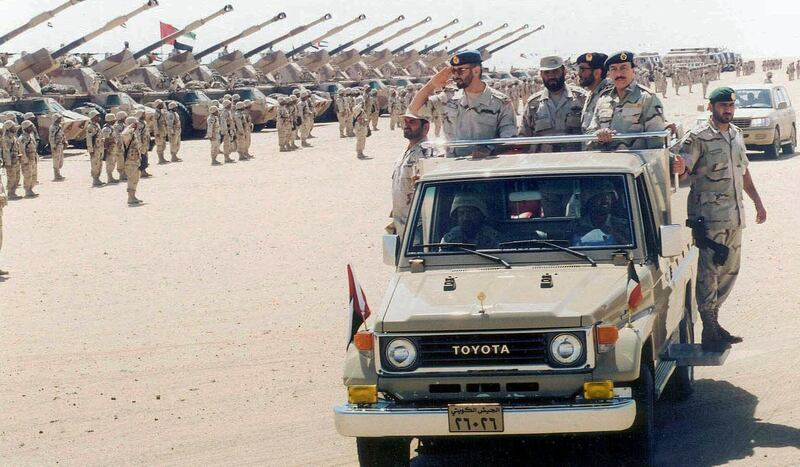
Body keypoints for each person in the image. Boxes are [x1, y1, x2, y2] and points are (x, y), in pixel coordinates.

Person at [672, 87, 767, 352]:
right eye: (723, 105)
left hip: (735, 216)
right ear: (710, 106)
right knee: (709, 273)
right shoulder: (698, 137)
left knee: (730, 271)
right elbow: (683, 168)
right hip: (709, 218)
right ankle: (709, 327)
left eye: (731, 106)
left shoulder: (736, 135)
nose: (728, 110)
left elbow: (744, 172)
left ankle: (714, 321)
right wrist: (680, 167)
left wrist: (757, 202)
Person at [410, 50, 517, 157]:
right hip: (451, 166)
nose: (455, 76)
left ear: (476, 71)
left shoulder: (500, 103)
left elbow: (509, 138)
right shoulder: (448, 98)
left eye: (461, 70)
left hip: (484, 167)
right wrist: (431, 85)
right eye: (453, 71)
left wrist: (489, 149)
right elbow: (414, 109)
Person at [587, 51, 667, 150]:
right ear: (609, 73)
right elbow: (590, 132)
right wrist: (598, 135)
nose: (619, 73)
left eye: (623, 68)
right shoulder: (603, 99)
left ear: (633, 71)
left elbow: (656, 142)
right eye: (614, 69)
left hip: (636, 162)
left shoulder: (646, 98)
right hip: (606, 161)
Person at [520, 56, 588, 152]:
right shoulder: (533, 104)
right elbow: (524, 137)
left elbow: (590, 132)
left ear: (564, 72)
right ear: (541, 75)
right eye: (547, 73)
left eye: (555, 71)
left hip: (574, 160)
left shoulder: (581, 98)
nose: (551, 76)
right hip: (542, 162)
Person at [389, 111, 431, 236]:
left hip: (416, 228)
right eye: (405, 121)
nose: (407, 125)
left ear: (425, 127)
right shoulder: (406, 153)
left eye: (412, 122)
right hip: (401, 223)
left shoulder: (427, 154)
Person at [571, 180, 631, 246]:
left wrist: (614, 233)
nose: (605, 199)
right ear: (589, 200)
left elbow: (631, 249)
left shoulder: (624, 225)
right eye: (599, 195)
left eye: (609, 195)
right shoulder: (575, 226)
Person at [576, 52, 610, 132]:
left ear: (597, 73)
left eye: (583, 70)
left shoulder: (608, 95)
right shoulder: (591, 94)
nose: (579, 74)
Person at [121, 117, 142, 205]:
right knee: (132, 178)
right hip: (130, 161)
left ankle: (133, 196)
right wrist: (130, 127)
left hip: (135, 160)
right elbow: (124, 134)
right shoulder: (128, 133)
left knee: (135, 178)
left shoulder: (133, 133)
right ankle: (130, 197)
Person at [18, 121, 39, 198]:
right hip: (27, 160)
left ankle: (31, 189)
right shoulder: (22, 138)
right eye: (30, 126)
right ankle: (27, 191)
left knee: (33, 175)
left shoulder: (30, 136)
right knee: (27, 175)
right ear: (26, 128)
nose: (32, 128)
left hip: (33, 159)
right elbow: (21, 150)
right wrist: (25, 160)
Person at [2, 121, 21, 199]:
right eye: (13, 127)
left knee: (17, 177)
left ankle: (14, 192)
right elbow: (6, 151)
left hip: (16, 160)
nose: (15, 128)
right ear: (9, 128)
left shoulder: (13, 137)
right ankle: (10, 193)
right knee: (11, 177)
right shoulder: (6, 139)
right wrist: (8, 163)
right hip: (10, 162)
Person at [85, 110, 104, 187]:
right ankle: (95, 179)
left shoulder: (97, 125)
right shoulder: (90, 127)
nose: (98, 117)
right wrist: (90, 150)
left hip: (100, 147)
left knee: (99, 163)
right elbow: (89, 139)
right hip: (95, 148)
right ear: (93, 117)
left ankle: (98, 178)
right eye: (97, 116)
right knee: (95, 163)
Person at [101, 113, 119, 184]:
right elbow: (106, 139)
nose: (114, 121)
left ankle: (111, 177)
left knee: (113, 162)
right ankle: (109, 177)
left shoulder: (111, 127)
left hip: (113, 147)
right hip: (110, 148)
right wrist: (107, 148)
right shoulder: (106, 129)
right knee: (110, 163)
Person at [22, 112, 39, 185]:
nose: (33, 119)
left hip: (33, 146)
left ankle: (33, 181)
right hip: (27, 152)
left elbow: (35, 135)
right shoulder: (24, 127)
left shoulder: (32, 126)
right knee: (28, 170)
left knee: (34, 168)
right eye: (31, 118)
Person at [49, 114, 66, 181]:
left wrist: (65, 141)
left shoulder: (59, 126)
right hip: (56, 145)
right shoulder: (52, 127)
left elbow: (62, 134)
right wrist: (53, 145)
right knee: (56, 160)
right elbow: (51, 137)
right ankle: (56, 175)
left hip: (60, 144)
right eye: (58, 118)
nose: (60, 119)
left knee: (60, 160)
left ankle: (58, 173)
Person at [152, 100, 169, 165]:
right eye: (161, 104)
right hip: (159, 131)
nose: (162, 105)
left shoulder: (161, 112)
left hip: (163, 130)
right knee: (159, 145)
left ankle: (163, 158)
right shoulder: (156, 113)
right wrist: (157, 133)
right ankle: (160, 159)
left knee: (163, 145)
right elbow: (155, 123)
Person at [114, 111, 128, 181]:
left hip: (124, 145)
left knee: (124, 159)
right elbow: (116, 136)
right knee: (120, 160)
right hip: (119, 145)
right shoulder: (116, 126)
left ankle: (125, 173)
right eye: (125, 117)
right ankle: (121, 174)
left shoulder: (124, 126)